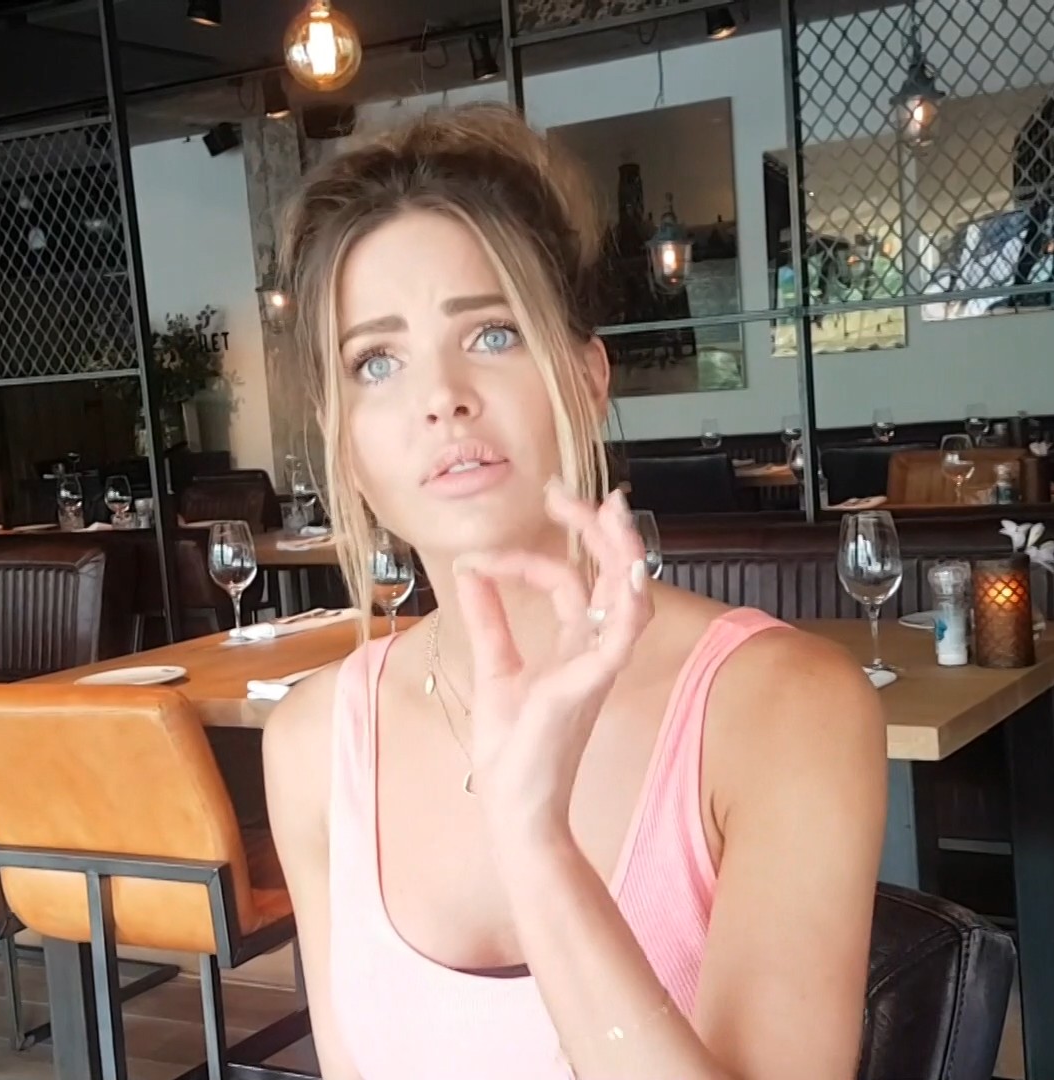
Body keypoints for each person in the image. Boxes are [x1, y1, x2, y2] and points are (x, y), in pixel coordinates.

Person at [262, 102, 887, 1079]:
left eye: (492, 334)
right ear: (343, 438)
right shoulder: (311, 745)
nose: (441, 396)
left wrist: (534, 838)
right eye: (376, 362)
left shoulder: (787, 707)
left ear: (587, 379)